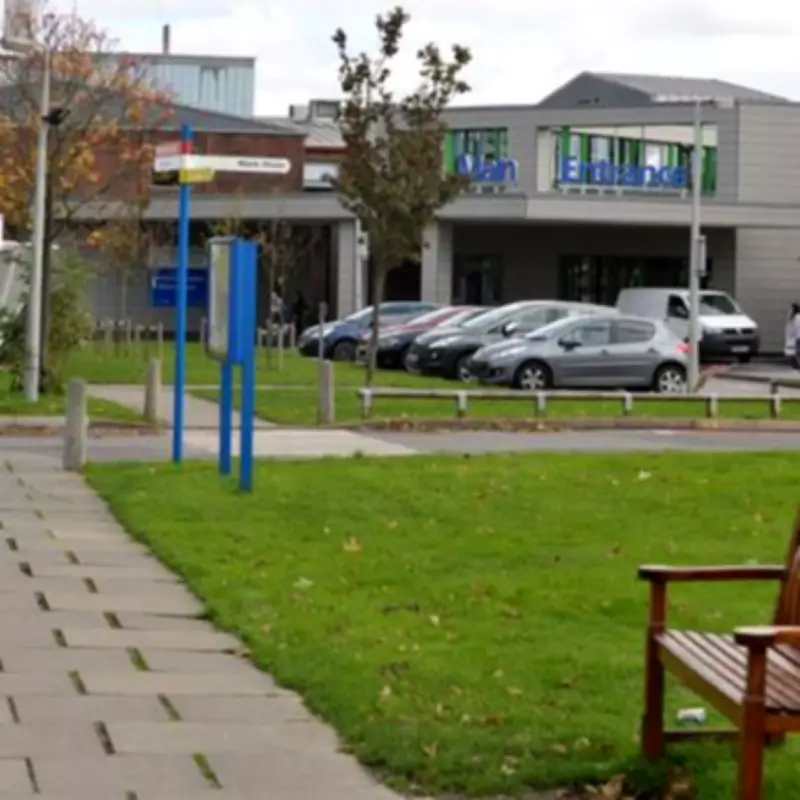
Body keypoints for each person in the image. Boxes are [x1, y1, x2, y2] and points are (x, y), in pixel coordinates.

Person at [785, 303, 800, 369]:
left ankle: (796, 366)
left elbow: (794, 328)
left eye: (791, 309)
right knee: (793, 352)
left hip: (796, 337)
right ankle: (796, 366)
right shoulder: (794, 318)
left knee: (793, 353)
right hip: (795, 337)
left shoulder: (797, 318)